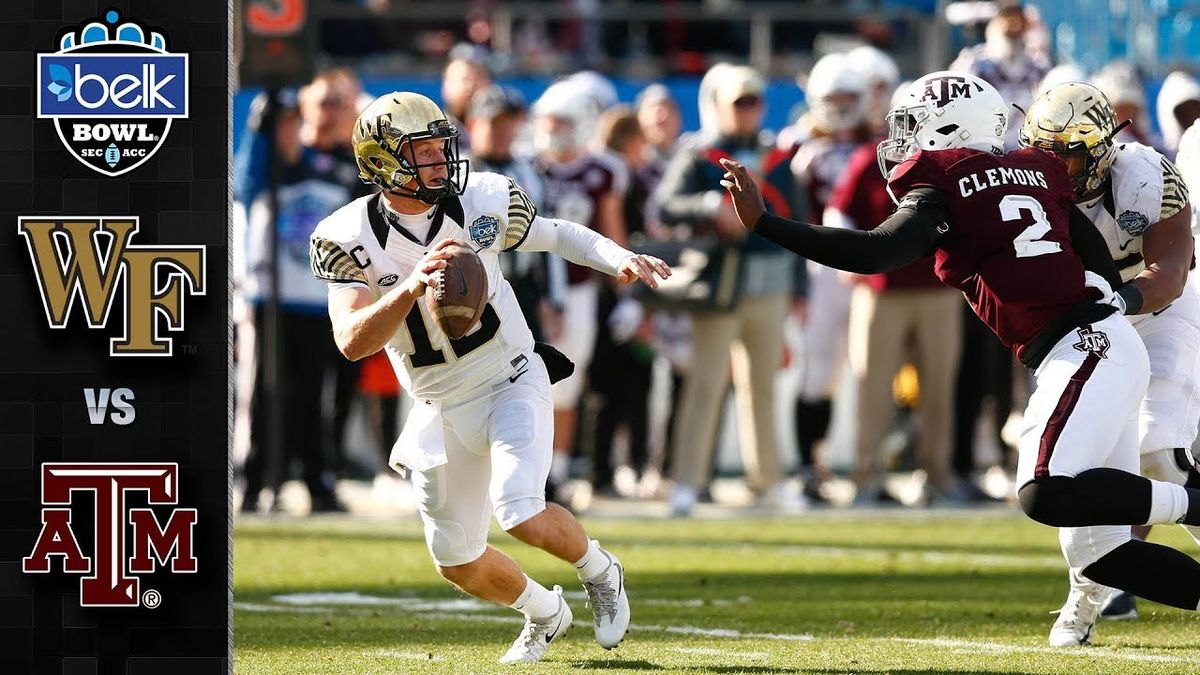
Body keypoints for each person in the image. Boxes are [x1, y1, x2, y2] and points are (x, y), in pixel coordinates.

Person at [719, 70, 1200, 628]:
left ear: (950, 128)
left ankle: (1192, 502)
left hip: (1104, 333)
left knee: (1050, 488)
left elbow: (878, 252)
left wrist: (766, 224)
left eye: (914, 128)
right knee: (1097, 550)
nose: (903, 141)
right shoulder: (1037, 171)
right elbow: (1085, 252)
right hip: (1092, 338)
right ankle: (1124, 573)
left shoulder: (954, 177)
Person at [310, 92, 669, 663]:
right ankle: (544, 613)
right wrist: (407, 288)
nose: (439, 160)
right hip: (436, 403)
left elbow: (557, 233)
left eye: (439, 147)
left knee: (520, 509)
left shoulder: (482, 199)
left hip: (509, 375)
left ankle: (600, 570)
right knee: (456, 560)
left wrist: (616, 256)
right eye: (422, 151)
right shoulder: (345, 234)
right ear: (381, 162)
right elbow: (352, 342)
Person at [1020, 82, 1200, 641]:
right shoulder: (1022, 187)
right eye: (1044, 153)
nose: (1054, 167)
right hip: (1084, 328)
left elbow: (1170, 270)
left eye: (1068, 153)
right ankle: (1087, 592)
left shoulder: (1146, 177)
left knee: (1159, 453)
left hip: (1156, 311)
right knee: (1079, 472)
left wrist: (1122, 300)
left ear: (1100, 147)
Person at [656, 64, 806, 516]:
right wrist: (708, 205)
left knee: (763, 388)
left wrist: (801, 289)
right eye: (738, 103)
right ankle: (687, 482)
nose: (747, 111)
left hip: (771, 286)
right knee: (706, 386)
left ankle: (769, 480)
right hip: (719, 286)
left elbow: (798, 223)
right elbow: (665, 205)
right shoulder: (699, 154)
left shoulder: (777, 156)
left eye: (753, 102)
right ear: (718, 106)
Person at [532, 78, 629, 506]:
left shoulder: (600, 171)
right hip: (528, 291)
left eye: (562, 121)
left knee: (566, 386)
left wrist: (625, 294)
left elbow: (610, 230)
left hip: (580, 290)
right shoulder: (527, 166)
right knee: (523, 386)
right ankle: (528, 475)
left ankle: (557, 472)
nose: (553, 128)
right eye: (549, 120)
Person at [949, 1, 1049, 149]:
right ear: (995, 25)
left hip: (1024, 153)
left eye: (1018, 19)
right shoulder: (974, 64)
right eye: (1008, 18)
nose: (1014, 25)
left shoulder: (1038, 68)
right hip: (982, 151)